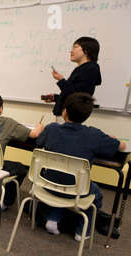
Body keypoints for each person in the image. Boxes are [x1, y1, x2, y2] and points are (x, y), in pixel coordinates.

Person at [36, 92, 126, 241]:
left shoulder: (51, 129)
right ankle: (82, 231)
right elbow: (121, 146)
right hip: (77, 189)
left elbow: (39, 143)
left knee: (59, 180)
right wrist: (112, 139)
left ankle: (52, 219)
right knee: (96, 193)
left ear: (64, 111)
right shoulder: (94, 135)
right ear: (87, 115)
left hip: (47, 184)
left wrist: (41, 128)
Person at [0, 92, 44, 210]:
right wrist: (40, 127)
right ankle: (5, 202)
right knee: (21, 168)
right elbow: (35, 134)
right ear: (1, 109)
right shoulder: (8, 123)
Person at [43, 37, 102, 124]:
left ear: (86, 50)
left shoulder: (90, 69)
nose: (71, 51)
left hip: (71, 116)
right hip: (65, 114)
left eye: (75, 47)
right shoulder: (81, 68)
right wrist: (55, 97)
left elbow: (77, 96)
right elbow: (72, 93)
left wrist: (61, 80)